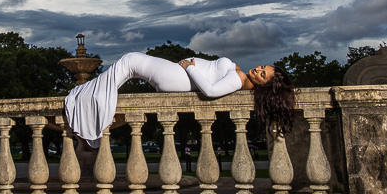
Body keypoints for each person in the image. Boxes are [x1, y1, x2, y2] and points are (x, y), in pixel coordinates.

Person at [63, 52, 295, 147]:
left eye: (263, 75)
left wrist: (190, 67)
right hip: (175, 76)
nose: (258, 70)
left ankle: (85, 98)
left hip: (178, 77)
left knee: (130, 60)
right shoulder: (240, 76)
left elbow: (210, 91)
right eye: (263, 67)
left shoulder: (238, 79)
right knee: (129, 66)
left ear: (265, 85)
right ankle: (87, 99)